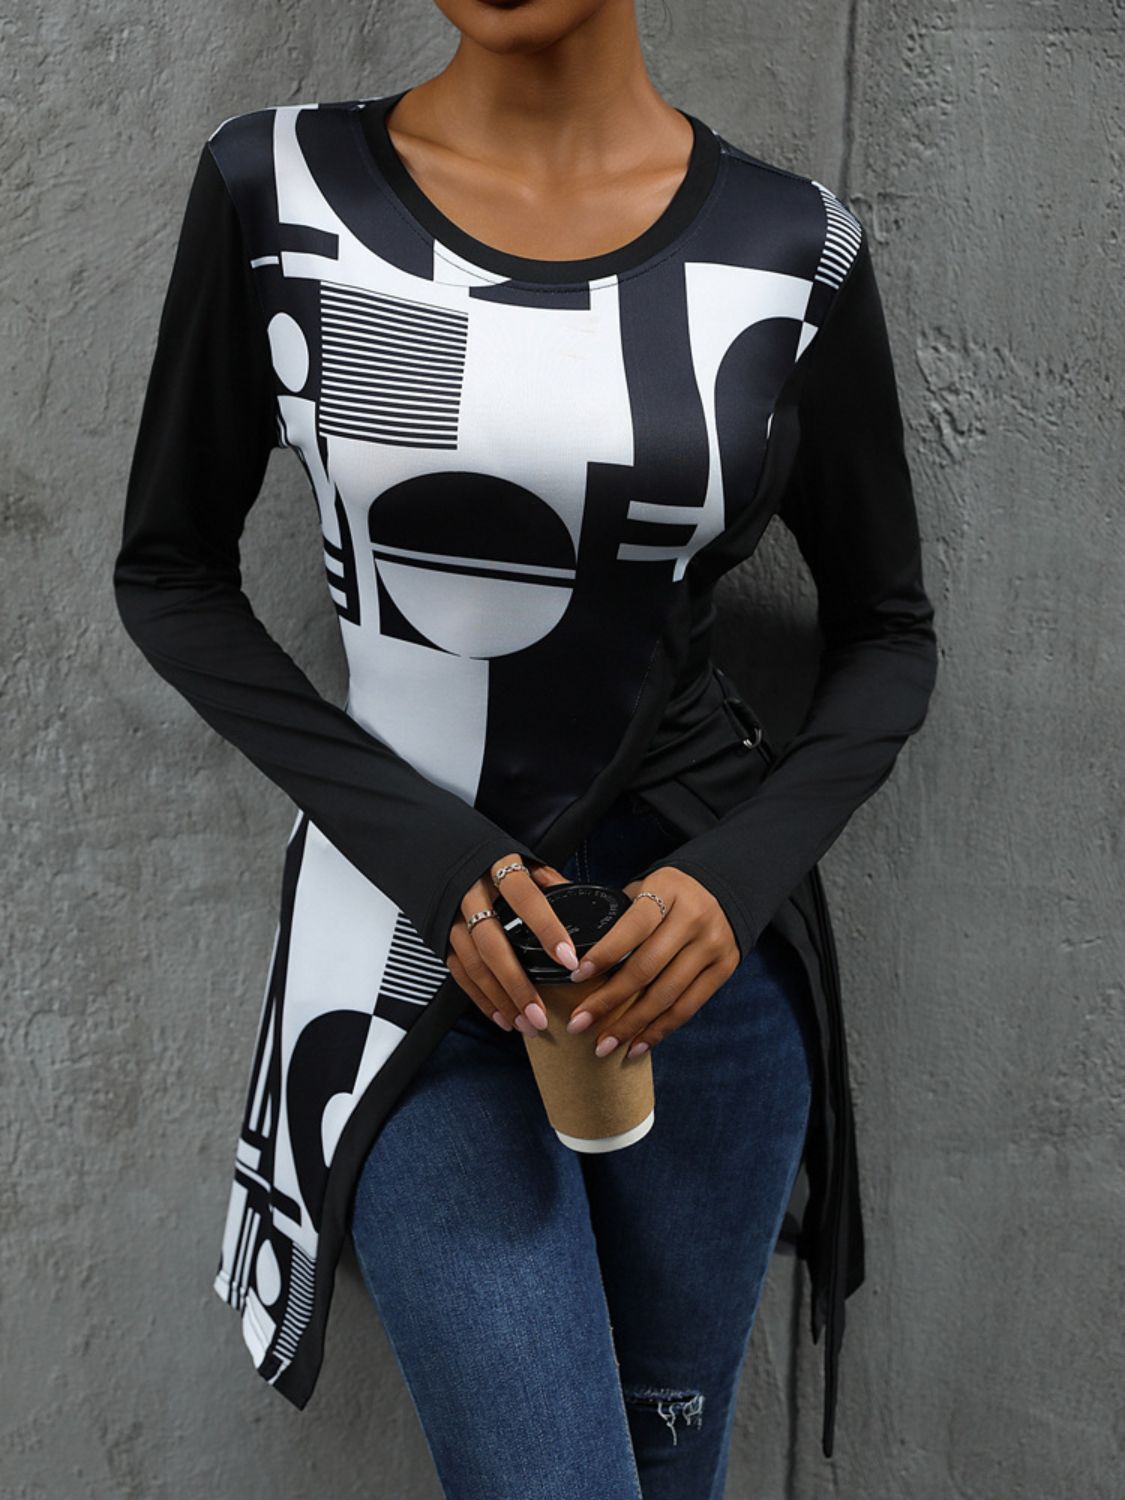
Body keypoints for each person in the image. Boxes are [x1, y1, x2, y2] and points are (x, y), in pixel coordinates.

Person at [113, 0, 938, 1492]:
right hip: (405, 962)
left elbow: (887, 635)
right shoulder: (277, 189)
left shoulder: (790, 247)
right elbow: (168, 576)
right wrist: (436, 861)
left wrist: (734, 882)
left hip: (700, 984)